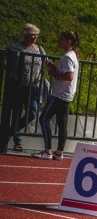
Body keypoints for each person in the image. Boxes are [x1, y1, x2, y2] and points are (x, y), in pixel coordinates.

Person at [31, 31, 79, 161]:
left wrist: (54, 74)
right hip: (67, 94)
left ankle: (48, 151)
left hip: (60, 94)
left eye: (61, 39)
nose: (59, 41)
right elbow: (66, 73)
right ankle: (59, 152)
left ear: (69, 41)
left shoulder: (67, 57)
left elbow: (69, 76)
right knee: (61, 123)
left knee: (43, 118)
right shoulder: (73, 55)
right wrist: (53, 67)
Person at [7, 24, 47, 152]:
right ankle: (17, 140)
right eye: (33, 34)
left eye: (36, 34)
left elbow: (46, 64)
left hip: (34, 86)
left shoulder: (40, 49)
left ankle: (9, 131)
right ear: (25, 34)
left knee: (32, 113)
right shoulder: (15, 47)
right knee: (17, 112)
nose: (35, 37)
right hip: (19, 86)